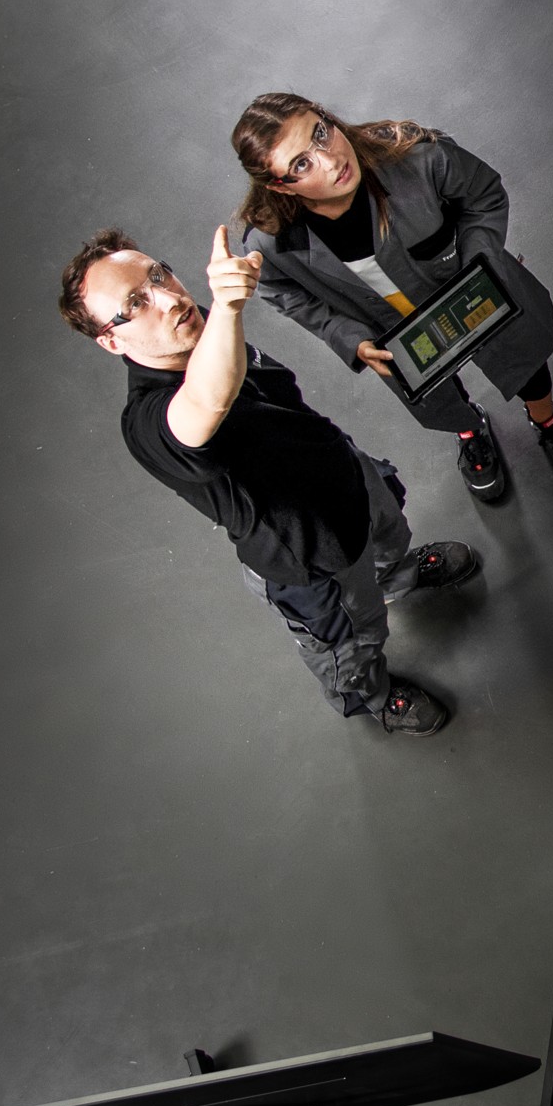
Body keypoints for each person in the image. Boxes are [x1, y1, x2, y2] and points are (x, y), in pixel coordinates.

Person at [59, 224, 470, 735]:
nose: (168, 298)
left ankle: (393, 576)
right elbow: (208, 400)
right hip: (312, 556)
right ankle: (375, 698)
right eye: (136, 302)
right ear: (111, 340)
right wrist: (230, 308)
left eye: (159, 275)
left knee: (390, 536)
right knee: (351, 643)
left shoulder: (196, 328)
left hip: (343, 472)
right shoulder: (147, 423)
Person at [228, 93, 553, 504]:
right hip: (394, 332)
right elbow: (283, 292)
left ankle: (547, 421)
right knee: (439, 400)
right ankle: (470, 430)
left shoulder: (416, 157)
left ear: (327, 117)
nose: (330, 160)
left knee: (524, 361)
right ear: (278, 185)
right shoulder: (271, 242)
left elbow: (483, 196)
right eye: (300, 164)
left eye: (320, 133)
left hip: (478, 298)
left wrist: (481, 270)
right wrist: (350, 339)